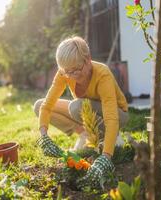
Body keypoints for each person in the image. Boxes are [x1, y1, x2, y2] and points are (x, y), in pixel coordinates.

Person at [34, 36, 128, 188]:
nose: (72, 76)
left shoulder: (102, 74)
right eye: (67, 72)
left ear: (88, 59)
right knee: (39, 105)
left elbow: (111, 117)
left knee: (76, 106)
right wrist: (43, 135)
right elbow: (47, 105)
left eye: (76, 70)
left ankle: (112, 138)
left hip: (117, 115)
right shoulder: (64, 72)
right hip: (86, 110)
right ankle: (85, 134)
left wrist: (106, 156)